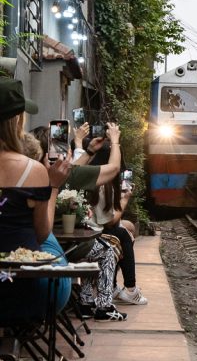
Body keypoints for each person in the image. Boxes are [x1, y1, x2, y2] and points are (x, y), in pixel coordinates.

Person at [26, 128, 127, 322]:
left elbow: (72, 171)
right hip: (57, 248)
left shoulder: (28, 172)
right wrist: (115, 141)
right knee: (107, 249)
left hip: (26, 248)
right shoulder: (62, 176)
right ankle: (103, 306)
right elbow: (113, 169)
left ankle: (86, 302)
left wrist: (89, 151)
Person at [0, 81, 71, 322]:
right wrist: (53, 187)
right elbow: (41, 233)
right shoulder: (32, 170)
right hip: (18, 291)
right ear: (17, 120)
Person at [86, 136, 148, 306]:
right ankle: (130, 289)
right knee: (123, 233)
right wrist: (125, 198)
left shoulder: (86, 174)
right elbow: (111, 221)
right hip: (92, 233)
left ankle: (113, 285)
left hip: (88, 227)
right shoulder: (103, 184)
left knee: (126, 227)